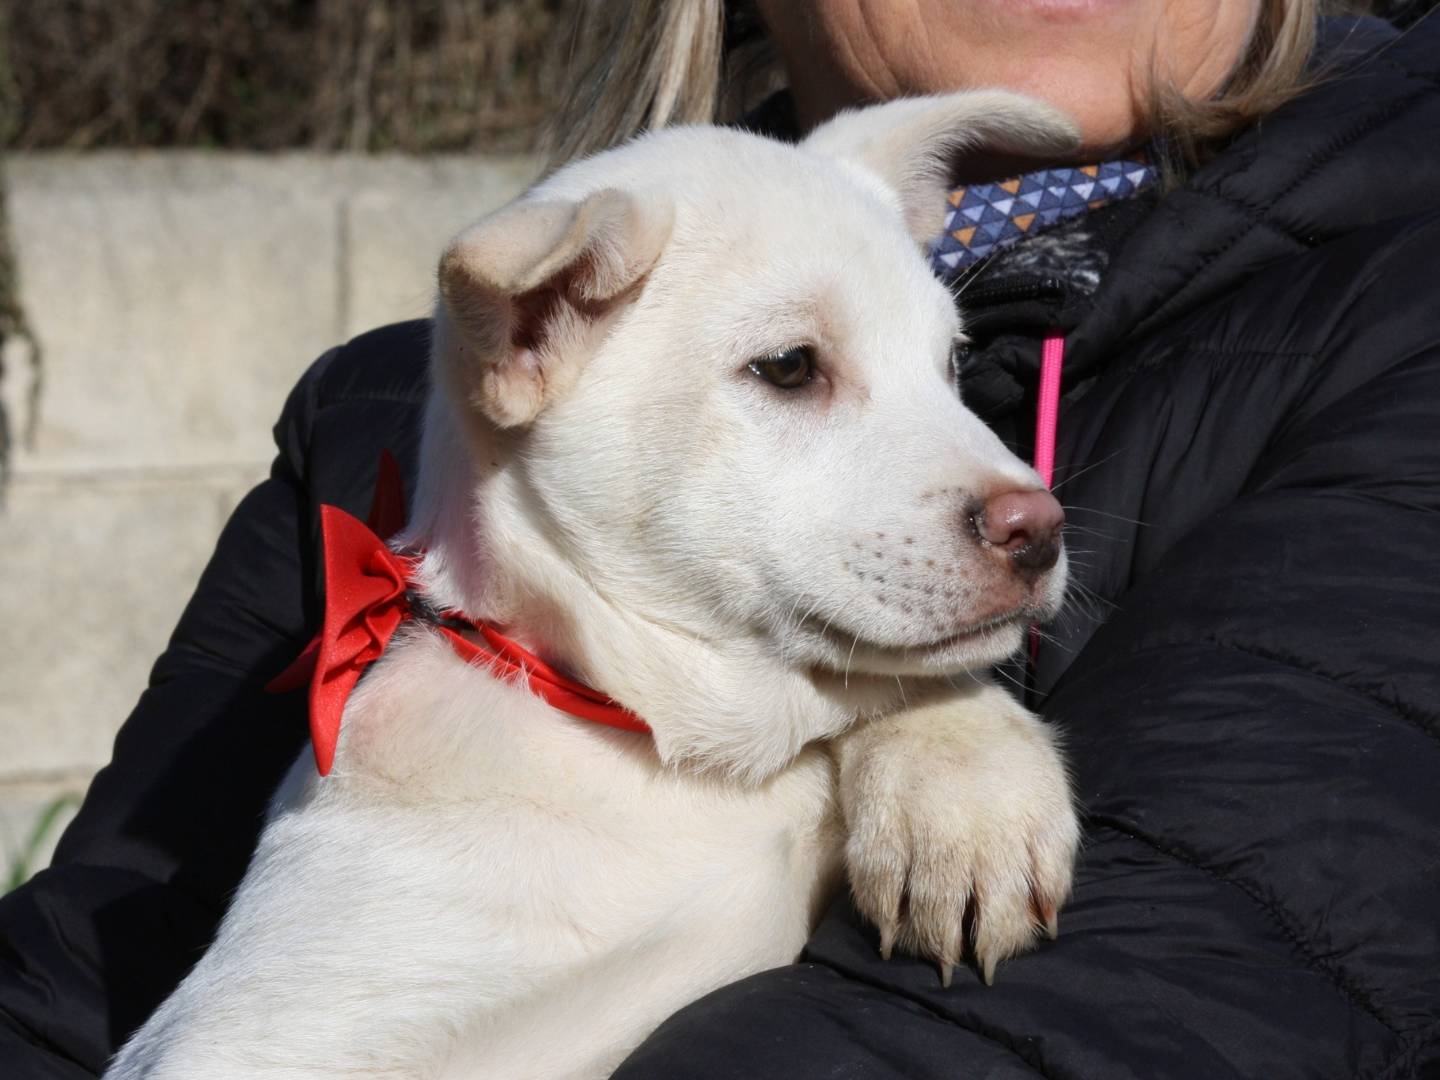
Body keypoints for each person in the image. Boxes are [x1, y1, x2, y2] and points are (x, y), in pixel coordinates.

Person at [4, 1, 1439, 1076]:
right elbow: (79, 982)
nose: (1009, 489)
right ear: (533, 336)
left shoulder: (1393, 310)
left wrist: (931, 725)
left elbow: (1186, 992)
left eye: (934, 369)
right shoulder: (370, 426)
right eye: (791, 373)